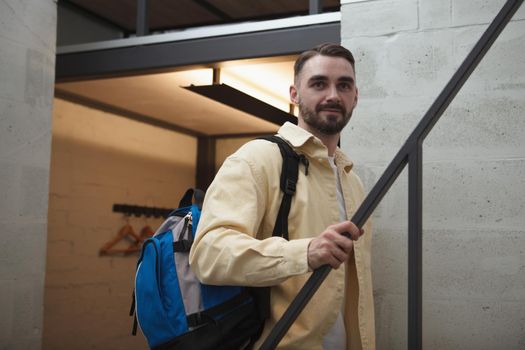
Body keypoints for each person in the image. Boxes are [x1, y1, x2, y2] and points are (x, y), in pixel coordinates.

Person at [189, 43, 375, 350]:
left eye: (344, 85)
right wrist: (304, 253)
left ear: (355, 96)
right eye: (318, 83)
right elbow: (209, 254)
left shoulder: (352, 181)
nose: (333, 95)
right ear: (294, 94)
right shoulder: (257, 159)